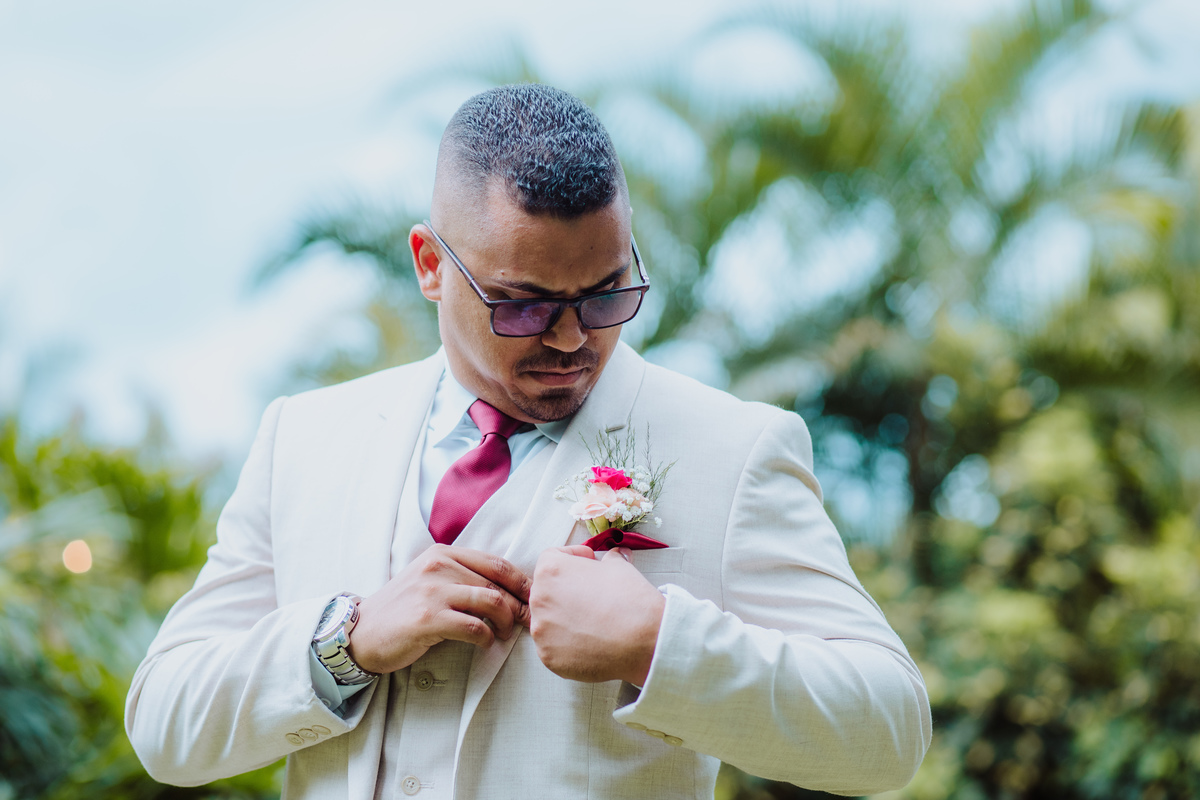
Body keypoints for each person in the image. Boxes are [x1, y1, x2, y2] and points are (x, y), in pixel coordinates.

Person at [126, 83, 931, 799]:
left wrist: (659, 646)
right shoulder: (304, 439)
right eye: (523, 304)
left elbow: (889, 735)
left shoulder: (735, 450)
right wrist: (349, 641)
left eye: (609, 291)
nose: (574, 336)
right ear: (430, 265)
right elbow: (166, 723)